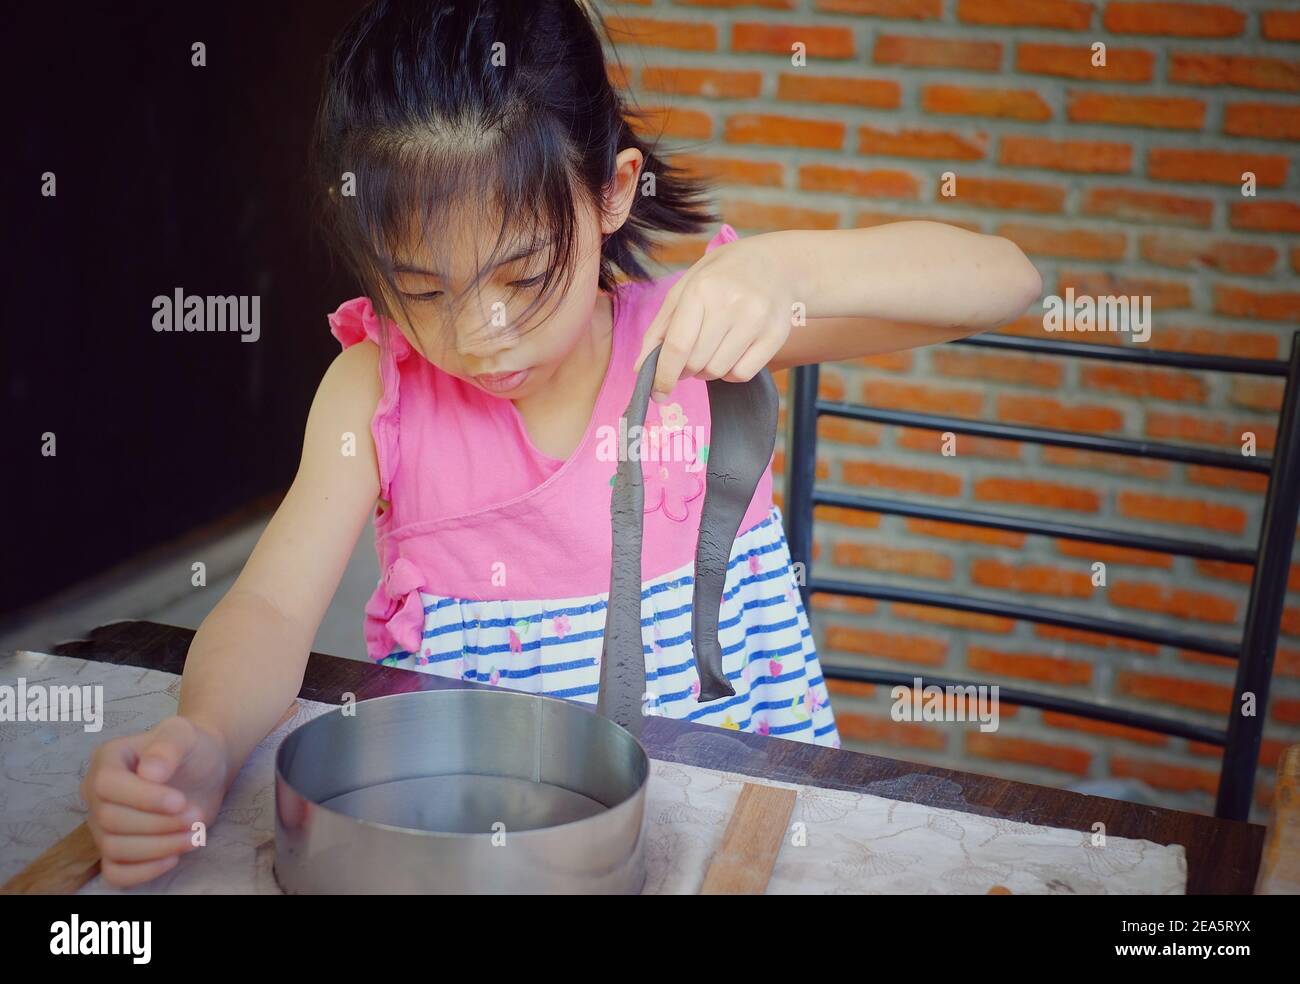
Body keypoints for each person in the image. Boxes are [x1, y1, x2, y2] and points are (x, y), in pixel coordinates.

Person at [81, 0, 1042, 887]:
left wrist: (784, 267)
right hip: (496, 861)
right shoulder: (378, 392)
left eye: (526, 275)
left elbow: (1005, 278)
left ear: (615, 191)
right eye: (420, 289)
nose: (478, 335)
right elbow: (273, 610)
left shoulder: (689, 345)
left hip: (746, 844)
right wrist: (204, 735)